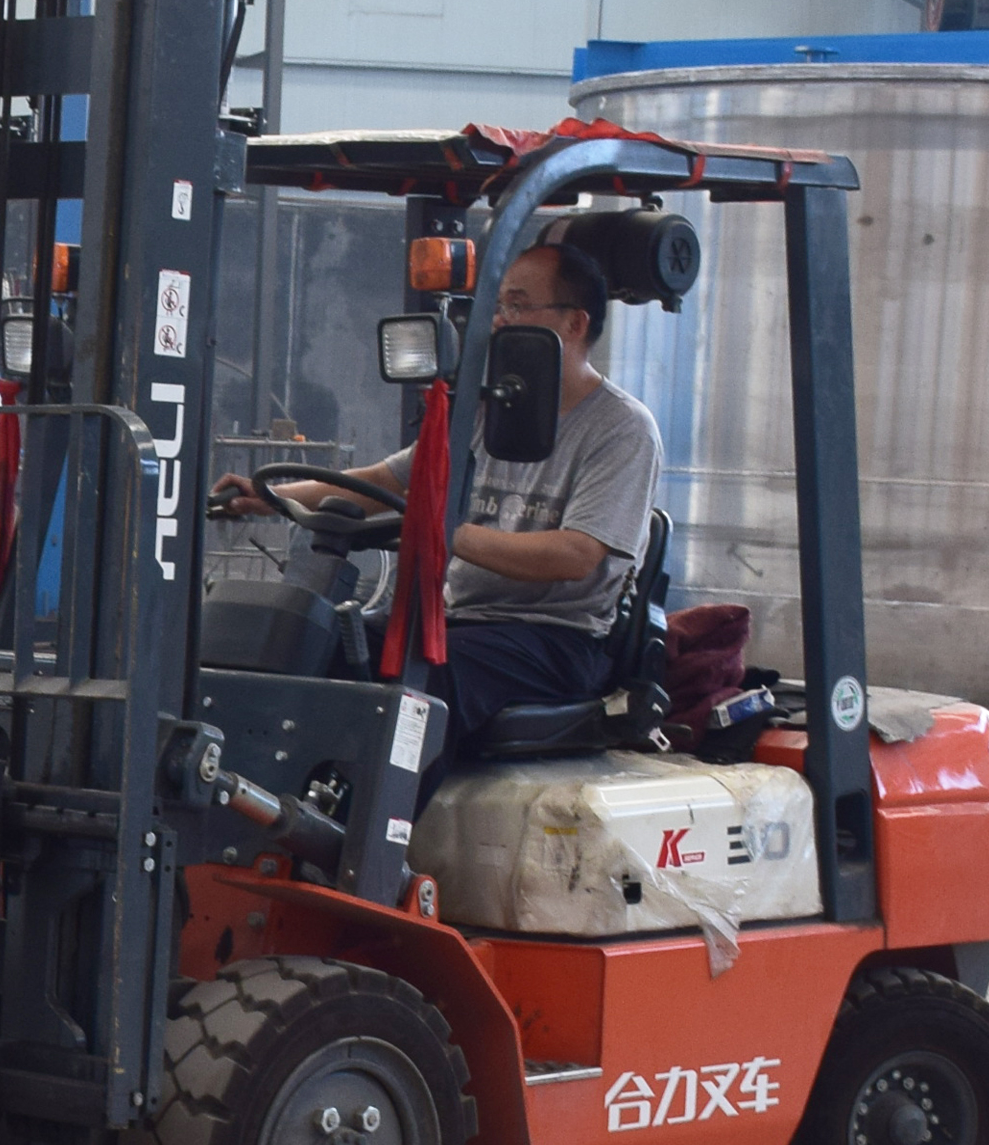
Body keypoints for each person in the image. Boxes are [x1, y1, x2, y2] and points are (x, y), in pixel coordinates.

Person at [217, 241, 662, 758]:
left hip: (553, 639)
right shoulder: (487, 408)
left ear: (574, 323)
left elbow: (576, 555)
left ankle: (388, 810)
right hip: (455, 619)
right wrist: (270, 496)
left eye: (517, 306)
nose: (499, 321)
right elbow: (387, 481)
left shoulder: (622, 428)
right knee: (313, 645)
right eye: (498, 306)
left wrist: (443, 530)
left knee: (421, 689)